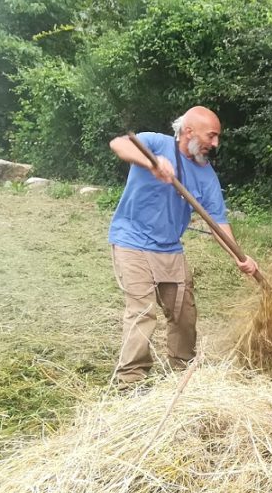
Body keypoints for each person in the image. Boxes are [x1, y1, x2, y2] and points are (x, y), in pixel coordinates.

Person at [107, 106, 257, 387]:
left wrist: (241, 257)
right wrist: (153, 164)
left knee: (184, 315)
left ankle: (182, 374)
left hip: (169, 249)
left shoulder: (206, 174)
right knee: (142, 312)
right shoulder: (156, 143)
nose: (215, 144)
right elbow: (118, 144)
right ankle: (129, 381)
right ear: (188, 131)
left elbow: (218, 223)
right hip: (132, 241)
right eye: (211, 136)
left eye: (217, 138)